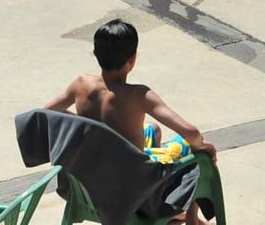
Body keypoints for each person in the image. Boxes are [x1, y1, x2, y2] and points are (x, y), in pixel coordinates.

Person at [44, 19, 217, 225]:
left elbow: (47, 112)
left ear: (96, 54)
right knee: (194, 151)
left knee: (152, 130)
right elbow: (191, 132)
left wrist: (82, 124)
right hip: (130, 193)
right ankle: (187, 218)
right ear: (132, 60)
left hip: (91, 186)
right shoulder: (139, 95)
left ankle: (176, 217)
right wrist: (205, 147)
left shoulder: (81, 84)